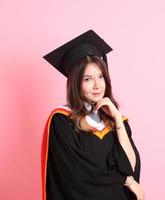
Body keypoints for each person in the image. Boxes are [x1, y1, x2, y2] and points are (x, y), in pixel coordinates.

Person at [41, 30, 144, 200]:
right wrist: (127, 181)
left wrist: (117, 118)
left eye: (101, 77)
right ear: (76, 83)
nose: (97, 85)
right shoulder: (61, 121)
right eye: (87, 79)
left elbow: (131, 167)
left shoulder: (116, 120)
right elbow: (78, 176)